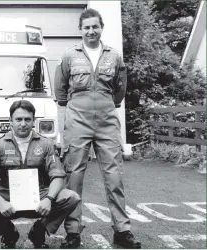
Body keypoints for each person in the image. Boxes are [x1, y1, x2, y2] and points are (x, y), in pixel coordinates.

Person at [54, 8, 141, 249]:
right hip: (77, 118)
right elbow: (60, 90)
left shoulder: (114, 56)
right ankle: (72, 233)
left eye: (95, 27)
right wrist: (74, 107)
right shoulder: (69, 56)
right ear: (80, 30)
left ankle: (122, 231)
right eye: (86, 27)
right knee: (74, 176)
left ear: (101, 28)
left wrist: (105, 103)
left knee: (114, 177)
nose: (91, 31)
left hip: (106, 119)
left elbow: (120, 90)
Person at [0, 100, 81, 249]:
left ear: (33, 121)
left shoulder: (45, 144)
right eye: (18, 119)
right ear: (10, 121)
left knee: (71, 197)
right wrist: (0, 202)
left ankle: (39, 231)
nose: (23, 124)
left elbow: (58, 176)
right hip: (7, 196)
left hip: (38, 196)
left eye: (27, 119)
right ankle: (8, 232)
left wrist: (48, 199)